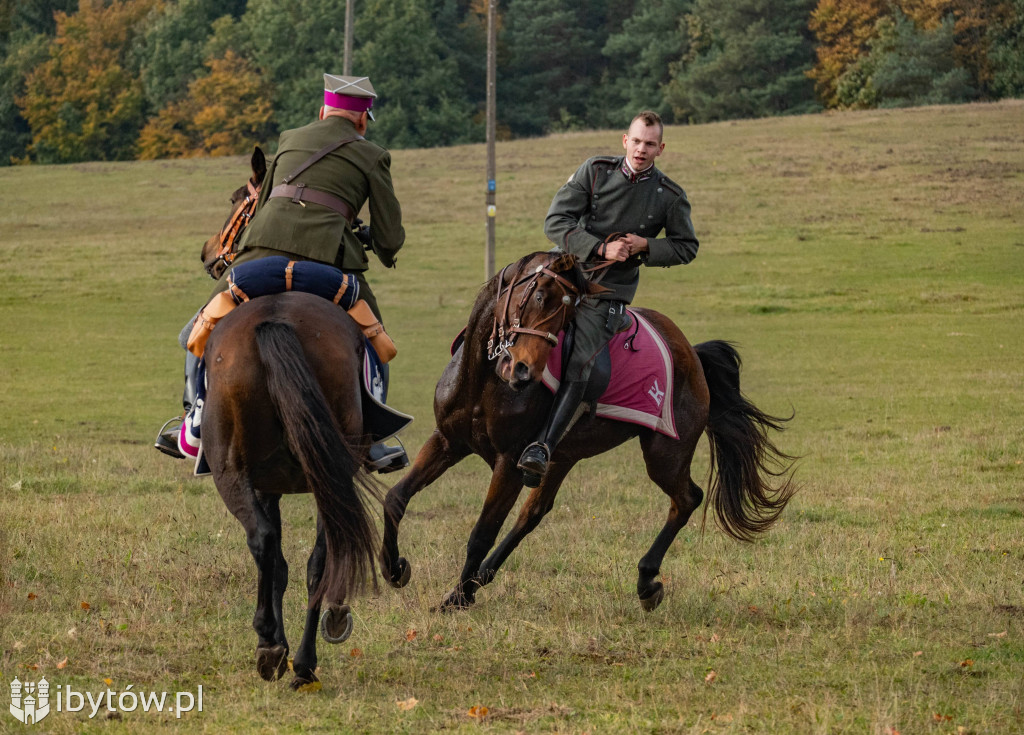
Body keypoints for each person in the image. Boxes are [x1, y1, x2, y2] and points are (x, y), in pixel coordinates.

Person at [155, 73, 408, 473]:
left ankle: (195, 419)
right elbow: (390, 239)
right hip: (328, 261)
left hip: (260, 253)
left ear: (322, 111)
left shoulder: (290, 138)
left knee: (198, 328)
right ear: (362, 121)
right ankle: (372, 440)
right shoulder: (373, 155)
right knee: (374, 341)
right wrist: (374, 240)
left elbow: (265, 199)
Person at [517, 110, 699, 487]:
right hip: (566, 271)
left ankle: (543, 448)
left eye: (650, 144)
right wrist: (600, 248)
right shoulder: (595, 170)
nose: (642, 149)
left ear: (661, 148)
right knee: (512, 306)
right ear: (624, 141)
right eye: (636, 141)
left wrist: (646, 245)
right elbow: (556, 221)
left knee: (582, 361)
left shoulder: (669, 195)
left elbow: (686, 247)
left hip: (608, 294)